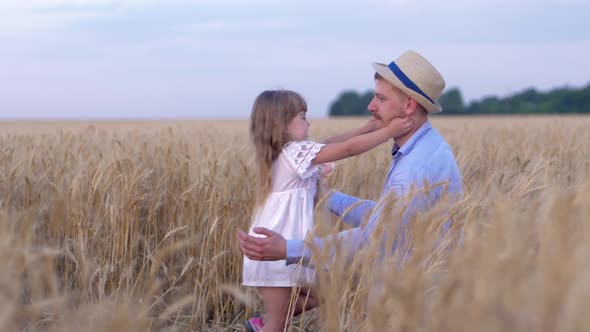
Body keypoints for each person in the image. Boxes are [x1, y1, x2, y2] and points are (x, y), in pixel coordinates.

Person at [238, 50, 464, 299]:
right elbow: (386, 219)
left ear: (409, 105)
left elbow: (372, 238)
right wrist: (329, 198)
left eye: (380, 98)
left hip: (414, 302)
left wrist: (287, 250)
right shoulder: (425, 148)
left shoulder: (415, 168)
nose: (370, 106)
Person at [242, 89, 413, 332]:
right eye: (302, 116)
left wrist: (367, 129)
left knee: (321, 295)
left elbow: (328, 145)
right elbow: (346, 149)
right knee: (279, 324)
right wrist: (388, 132)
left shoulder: (288, 155)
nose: (308, 121)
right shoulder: (292, 154)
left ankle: (262, 324)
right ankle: (268, 323)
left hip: (287, 249)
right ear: (280, 124)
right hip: (275, 251)